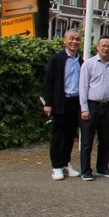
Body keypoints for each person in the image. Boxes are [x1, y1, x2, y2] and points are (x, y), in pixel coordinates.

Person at [43, 29, 83, 180]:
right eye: (71, 39)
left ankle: (66, 164)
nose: (74, 42)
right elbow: (49, 82)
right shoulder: (56, 59)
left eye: (77, 39)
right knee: (57, 135)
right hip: (61, 102)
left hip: (75, 102)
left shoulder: (81, 61)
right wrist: (48, 102)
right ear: (65, 41)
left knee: (69, 136)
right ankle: (56, 166)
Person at [78, 35, 109, 181]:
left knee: (105, 140)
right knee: (87, 141)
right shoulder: (88, 64)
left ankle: (102, 167)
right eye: (103, 45)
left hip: (107, 107)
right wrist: (84, 108)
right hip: (91, 105)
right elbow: (82, 87)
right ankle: (86, 170)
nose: (106, 48)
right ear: (97, 47)